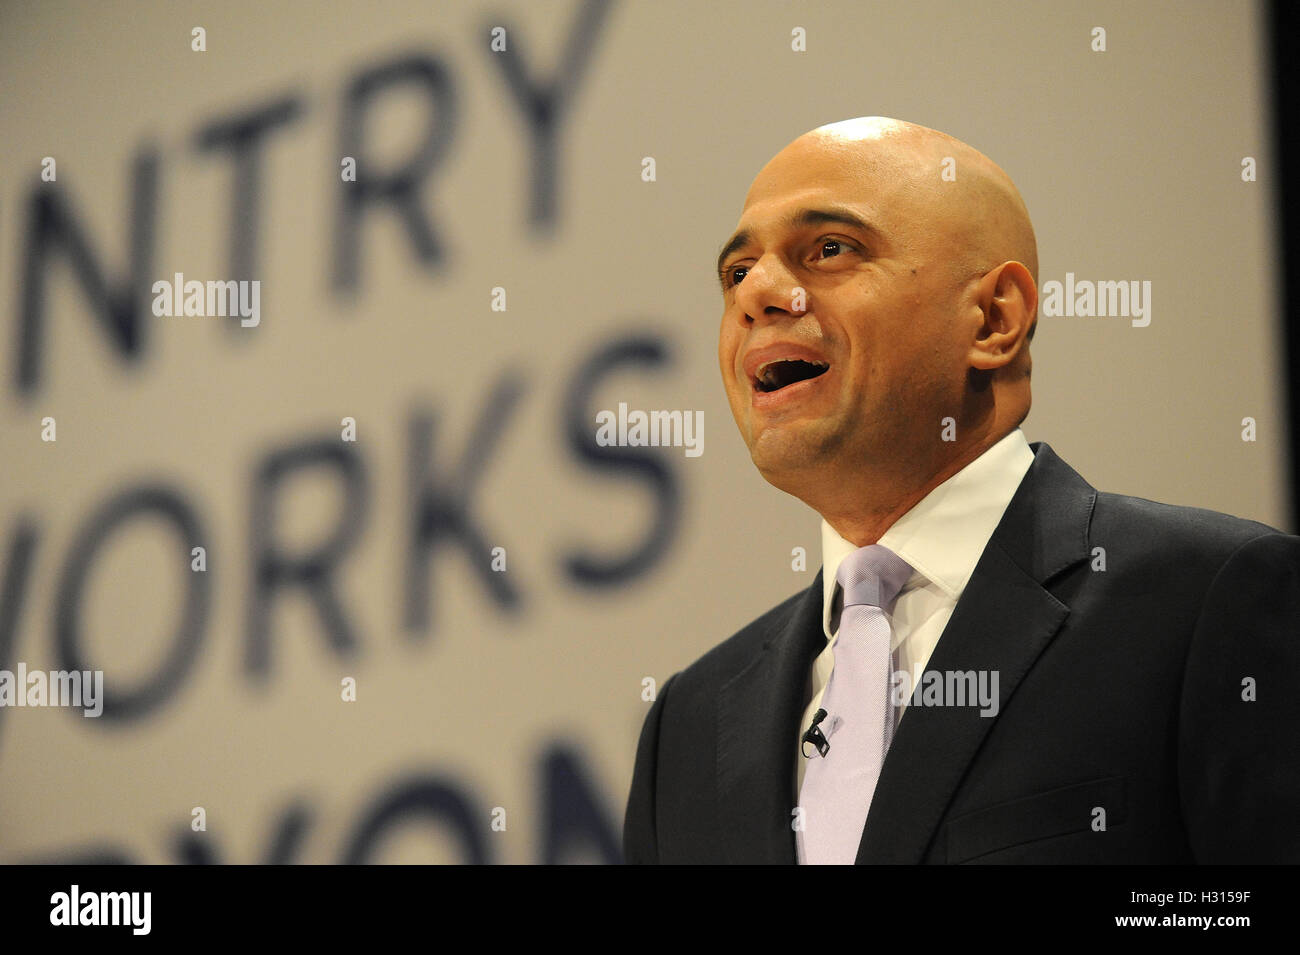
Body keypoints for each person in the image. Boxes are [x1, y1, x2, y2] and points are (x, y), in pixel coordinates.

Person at [622, 116, 1300, 864]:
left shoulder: (1212, 604)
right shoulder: (687, 726)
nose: (758, 294)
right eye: (737, 272)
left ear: (994, 318)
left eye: (830, 249)